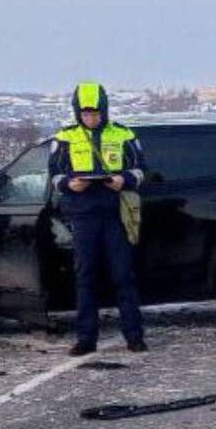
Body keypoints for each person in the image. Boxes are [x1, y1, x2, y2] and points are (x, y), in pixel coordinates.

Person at [49, 82, 148, 356]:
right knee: (85, 277)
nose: (90, 118)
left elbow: (141, 170)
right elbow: (54, 175)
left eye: (95, 113)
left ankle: (134, 336)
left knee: (123, 276)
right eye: (85, 113)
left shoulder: (124, 134)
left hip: (116, 214)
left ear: (104, 110)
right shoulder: (65, 138)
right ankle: (86, 339)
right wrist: (69, 184)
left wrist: (124, 180)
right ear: (77, 112)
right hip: (83, 215)